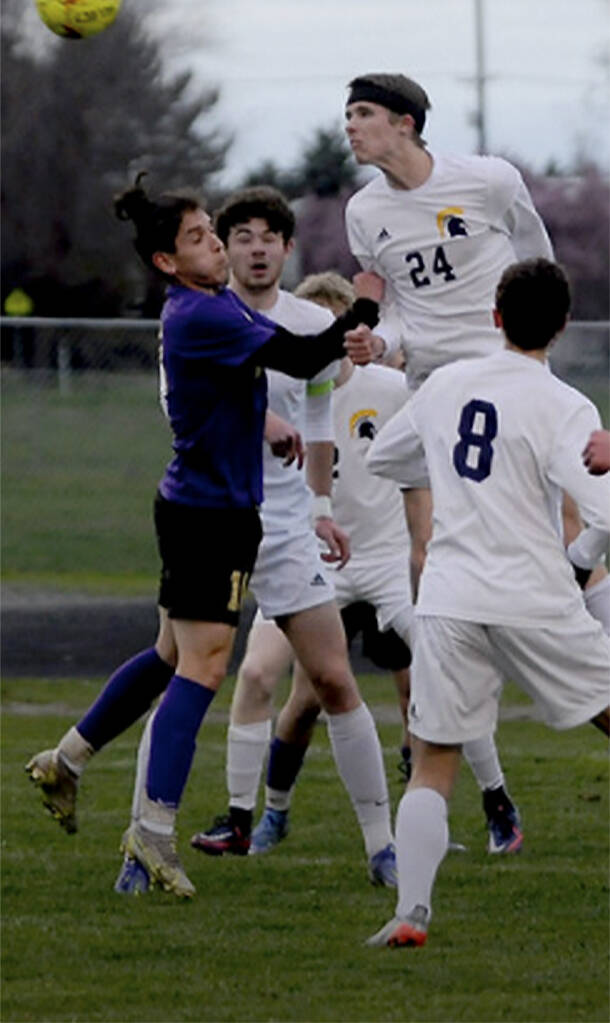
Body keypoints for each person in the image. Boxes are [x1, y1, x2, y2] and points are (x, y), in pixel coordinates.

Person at [25, 176, 382, 898]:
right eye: (201, 237)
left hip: (215, 510)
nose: (218, 245)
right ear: (167, 261)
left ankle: (68, 759)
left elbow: (290, 363)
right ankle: (151, 832)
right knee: (205, 668)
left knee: (171, 657)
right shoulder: (201, 312)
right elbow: (304, 359)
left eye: (213, 232)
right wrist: (366, 304)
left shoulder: (213, 300)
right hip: (209, 517)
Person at [363, 257, 610, 948]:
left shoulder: (446, 384)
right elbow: (603, 510)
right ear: (562, 326)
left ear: (494, 317)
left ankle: (411, 912)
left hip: (449, 598)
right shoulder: (564, 404)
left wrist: (448, 469)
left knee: (434, 758)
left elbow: (385, 458)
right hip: (533, 594)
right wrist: (579, 561)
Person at [244, 272, 522, 858]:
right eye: (315, 327)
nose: (328, 337)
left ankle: (496, 802)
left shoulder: (391, 390)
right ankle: (271, 812)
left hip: (388, 559)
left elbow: (427, 460)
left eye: (337, 325)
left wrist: (426, 544)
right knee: (293, 694)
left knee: (442, 673)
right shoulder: (285, 392)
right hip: (316, 560)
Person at [342, 71, 610, 637]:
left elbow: (538, 263)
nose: (350, 126)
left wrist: (533, 338)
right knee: (405, 486)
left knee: (550, 525)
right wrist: (380, 341)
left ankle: (571, 607)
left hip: (505, 371)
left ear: (405, 124)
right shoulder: (363, 213)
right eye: (348, 115)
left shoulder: (488, 180)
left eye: (363, 113)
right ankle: (448, 648)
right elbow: (396, 308)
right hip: (433, 387)